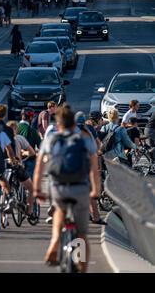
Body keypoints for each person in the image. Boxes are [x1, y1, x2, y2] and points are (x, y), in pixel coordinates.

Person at [33, 104, 101, 273]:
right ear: (74, 124)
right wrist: (95, 191)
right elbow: (94, 169)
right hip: (80, 188)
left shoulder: (51, 139)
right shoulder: (85, 140)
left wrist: (36, 190)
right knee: (82, 235)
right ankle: (82, 267)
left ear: (58, 124)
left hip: (59, 187)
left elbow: (39, 168)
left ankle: (55, 240)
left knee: (58, 211)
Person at [7, 120, 38, 220]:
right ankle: (29, 212)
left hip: (5, 167)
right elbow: (32, 153)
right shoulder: (19, 138)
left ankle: (3, 216)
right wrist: (24, 154)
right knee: (31, 188)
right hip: (17, 166)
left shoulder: (2, 138)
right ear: (16, 129)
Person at [18, 108, 41, 177]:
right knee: (30, 184)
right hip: (29, 160)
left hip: (16, 160)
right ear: (31, 118)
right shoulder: (33, 131)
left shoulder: (14, 128)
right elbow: (41, 146)